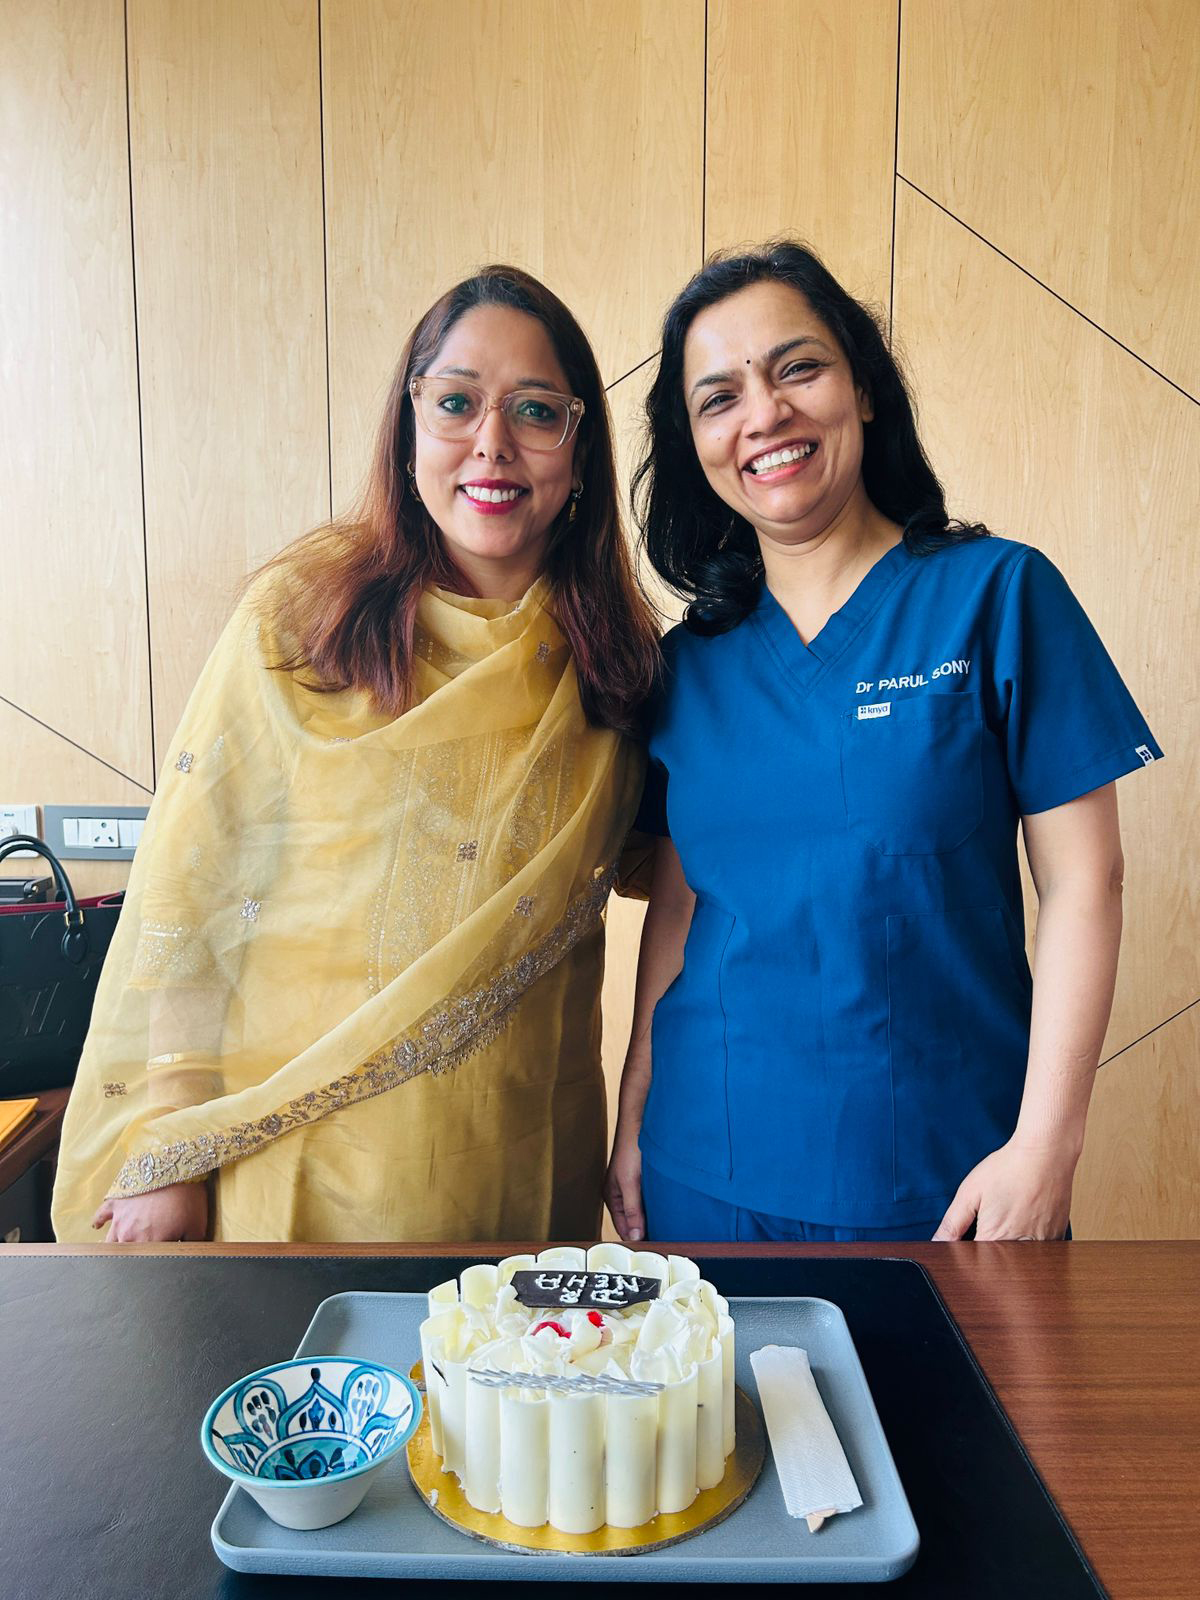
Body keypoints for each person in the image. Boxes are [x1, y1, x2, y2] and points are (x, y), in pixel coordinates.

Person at [52, 265, 659, 1243]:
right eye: (455, 402)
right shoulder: (302, 624)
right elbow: (189, 893)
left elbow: (688, 877)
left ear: (579, 451)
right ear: (407, 429)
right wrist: (173, 1144)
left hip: (520, 1166)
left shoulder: (615, 667)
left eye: (536, 411)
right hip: (295, 1163)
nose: (492, 443)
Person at [604, 240, 1161, 1245]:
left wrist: (1047, 1146)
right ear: (693, 444)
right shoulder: (686, 667)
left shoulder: (997, 596)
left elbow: (1088, 881)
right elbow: (681, 905)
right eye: (719, 398)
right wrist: (633, 1113)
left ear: (862, 389)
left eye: (798, 368)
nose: (764, 414)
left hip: (947, 1186)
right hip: (706, 1173)